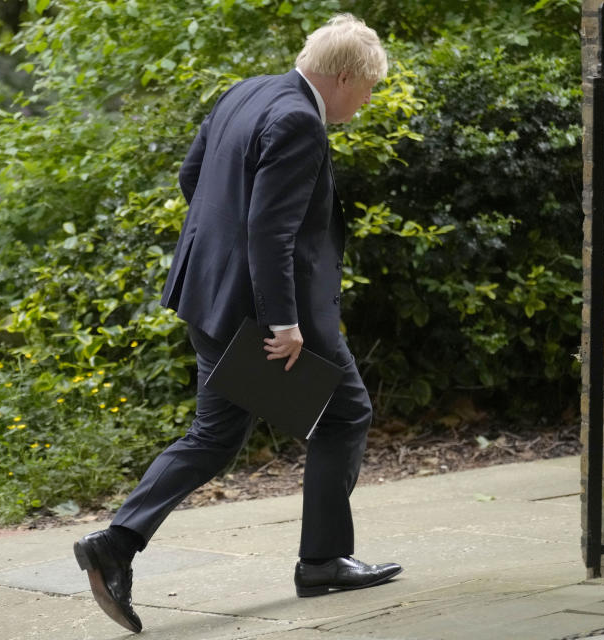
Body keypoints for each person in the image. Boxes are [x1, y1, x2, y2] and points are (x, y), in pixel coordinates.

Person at [72, 14, 401, 634]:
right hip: (258, 314)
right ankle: (323, 561)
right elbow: (270, 231)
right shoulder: (301, 121)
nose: (366, 101)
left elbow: (193, 177)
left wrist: (218, 252)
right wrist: (285, 323)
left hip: (208, 296)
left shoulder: (247, 91)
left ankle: (117, 542)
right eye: (367, 88)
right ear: (342, 77)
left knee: (217, 435)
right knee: (345, 412)